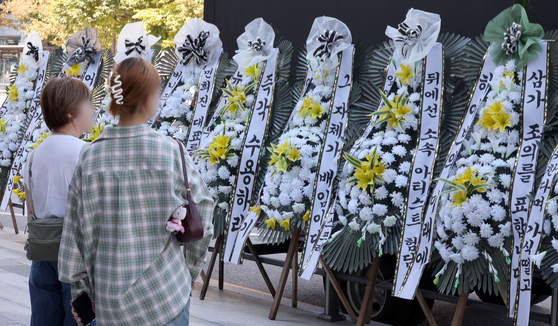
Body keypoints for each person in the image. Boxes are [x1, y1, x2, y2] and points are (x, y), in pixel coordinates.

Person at [58, 57, 214, 326]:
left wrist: (83, 292)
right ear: (147, 98)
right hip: (166, 295)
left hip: (110, 300)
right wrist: (186, 272)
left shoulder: (90, 158)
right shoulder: (172, 153)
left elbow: (75, 235)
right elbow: (204, 216)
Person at [23, 77, 94, 326]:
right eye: (88, 103)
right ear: (71, 113)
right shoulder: (87, 153)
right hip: (78, 256)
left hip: (42, 252)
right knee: (80, 320)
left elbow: (32, 209)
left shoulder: (33, 155)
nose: (93, 109)